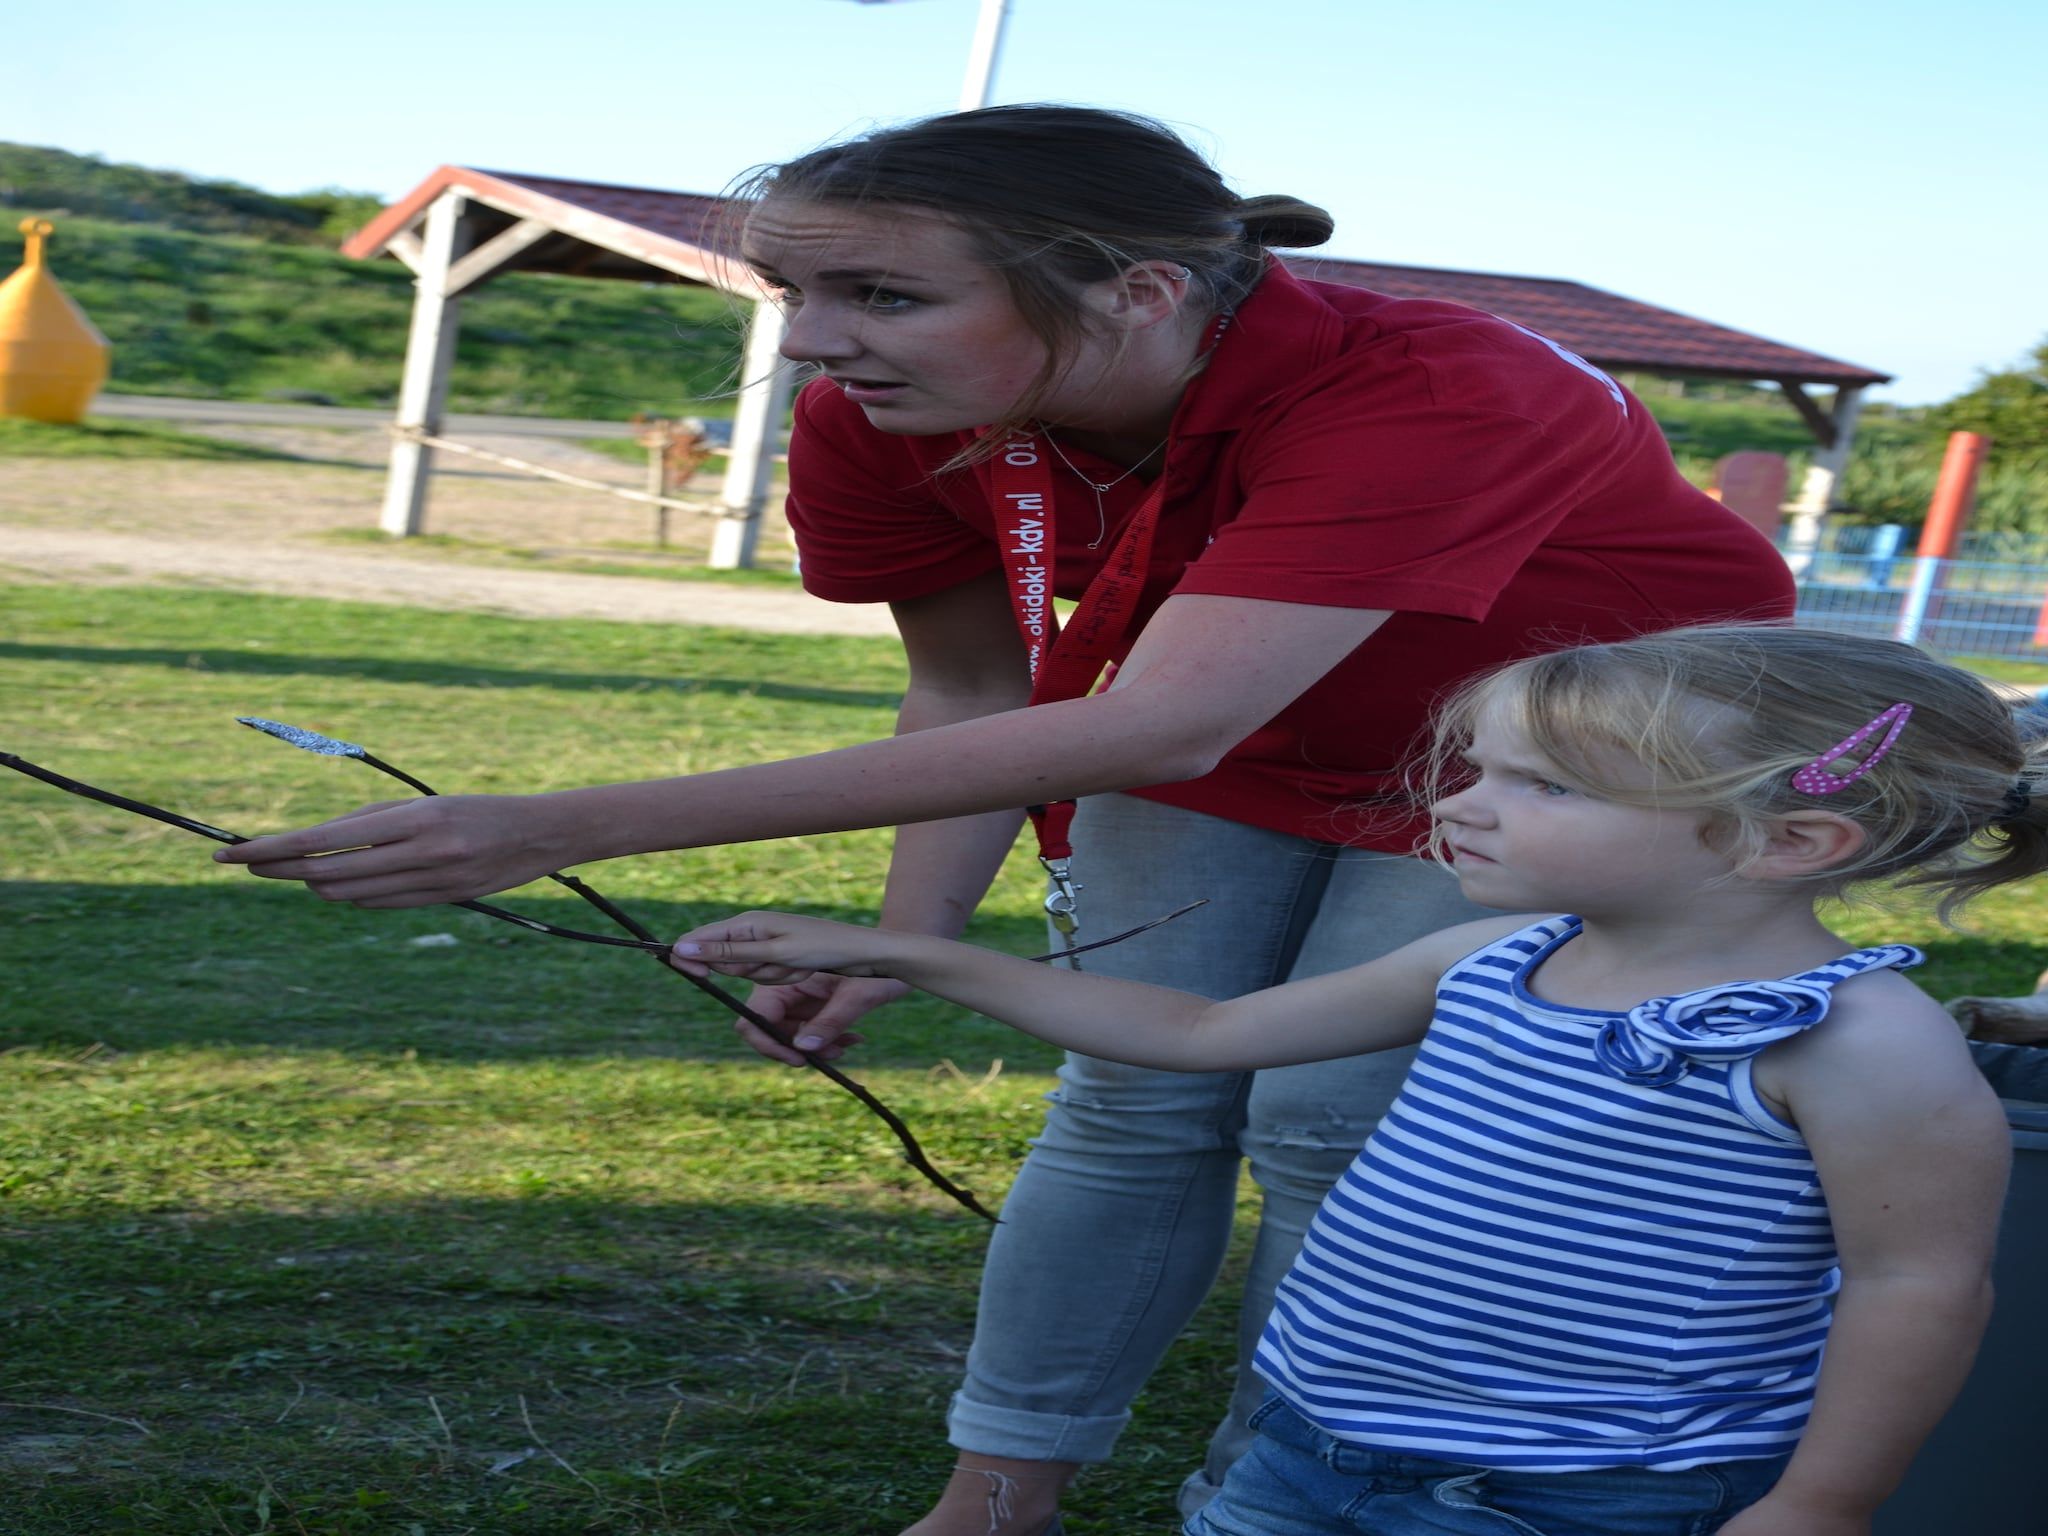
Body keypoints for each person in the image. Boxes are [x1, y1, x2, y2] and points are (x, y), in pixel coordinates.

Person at [216, 106, 1796, 1533]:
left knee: (1332, 1124)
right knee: (1124, 1102)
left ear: (1139, 290)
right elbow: (975, 697)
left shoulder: (1445, 383)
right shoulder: (877, 415)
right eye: (796, 298)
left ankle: (1277, 1496)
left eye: (886, 298)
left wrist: (560, 823)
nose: (816, 345)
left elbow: (1167, 714)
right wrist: (906, 943)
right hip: (1233, 736)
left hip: (1570, 768)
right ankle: (991, 1501)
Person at [671, 624, 2028, 1536]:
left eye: (1545, 787)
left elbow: (1919, 1289)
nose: (1465, 805)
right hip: (1309, 1447)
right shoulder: (1500, 954)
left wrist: (1822, 1505)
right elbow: (1198, 1034)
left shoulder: (1856, 1042)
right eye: (1483, 768)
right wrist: (904, 950)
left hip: (1581, 1495)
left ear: (1787, 838)